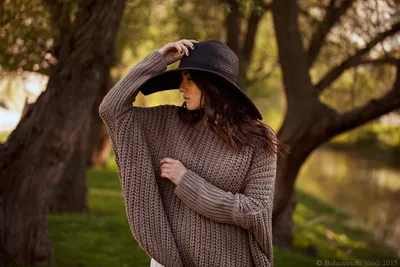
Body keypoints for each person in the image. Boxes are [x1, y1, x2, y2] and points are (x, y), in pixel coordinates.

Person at [99, 39, 287, 267]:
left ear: (213, 85)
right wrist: (157, 59)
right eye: (182, 79)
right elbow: (111, 109)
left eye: (189, 79)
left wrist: (186, 181)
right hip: (171, 261)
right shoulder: (168, 122)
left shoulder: (259, 140)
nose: (181, 87)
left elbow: (255, 210)